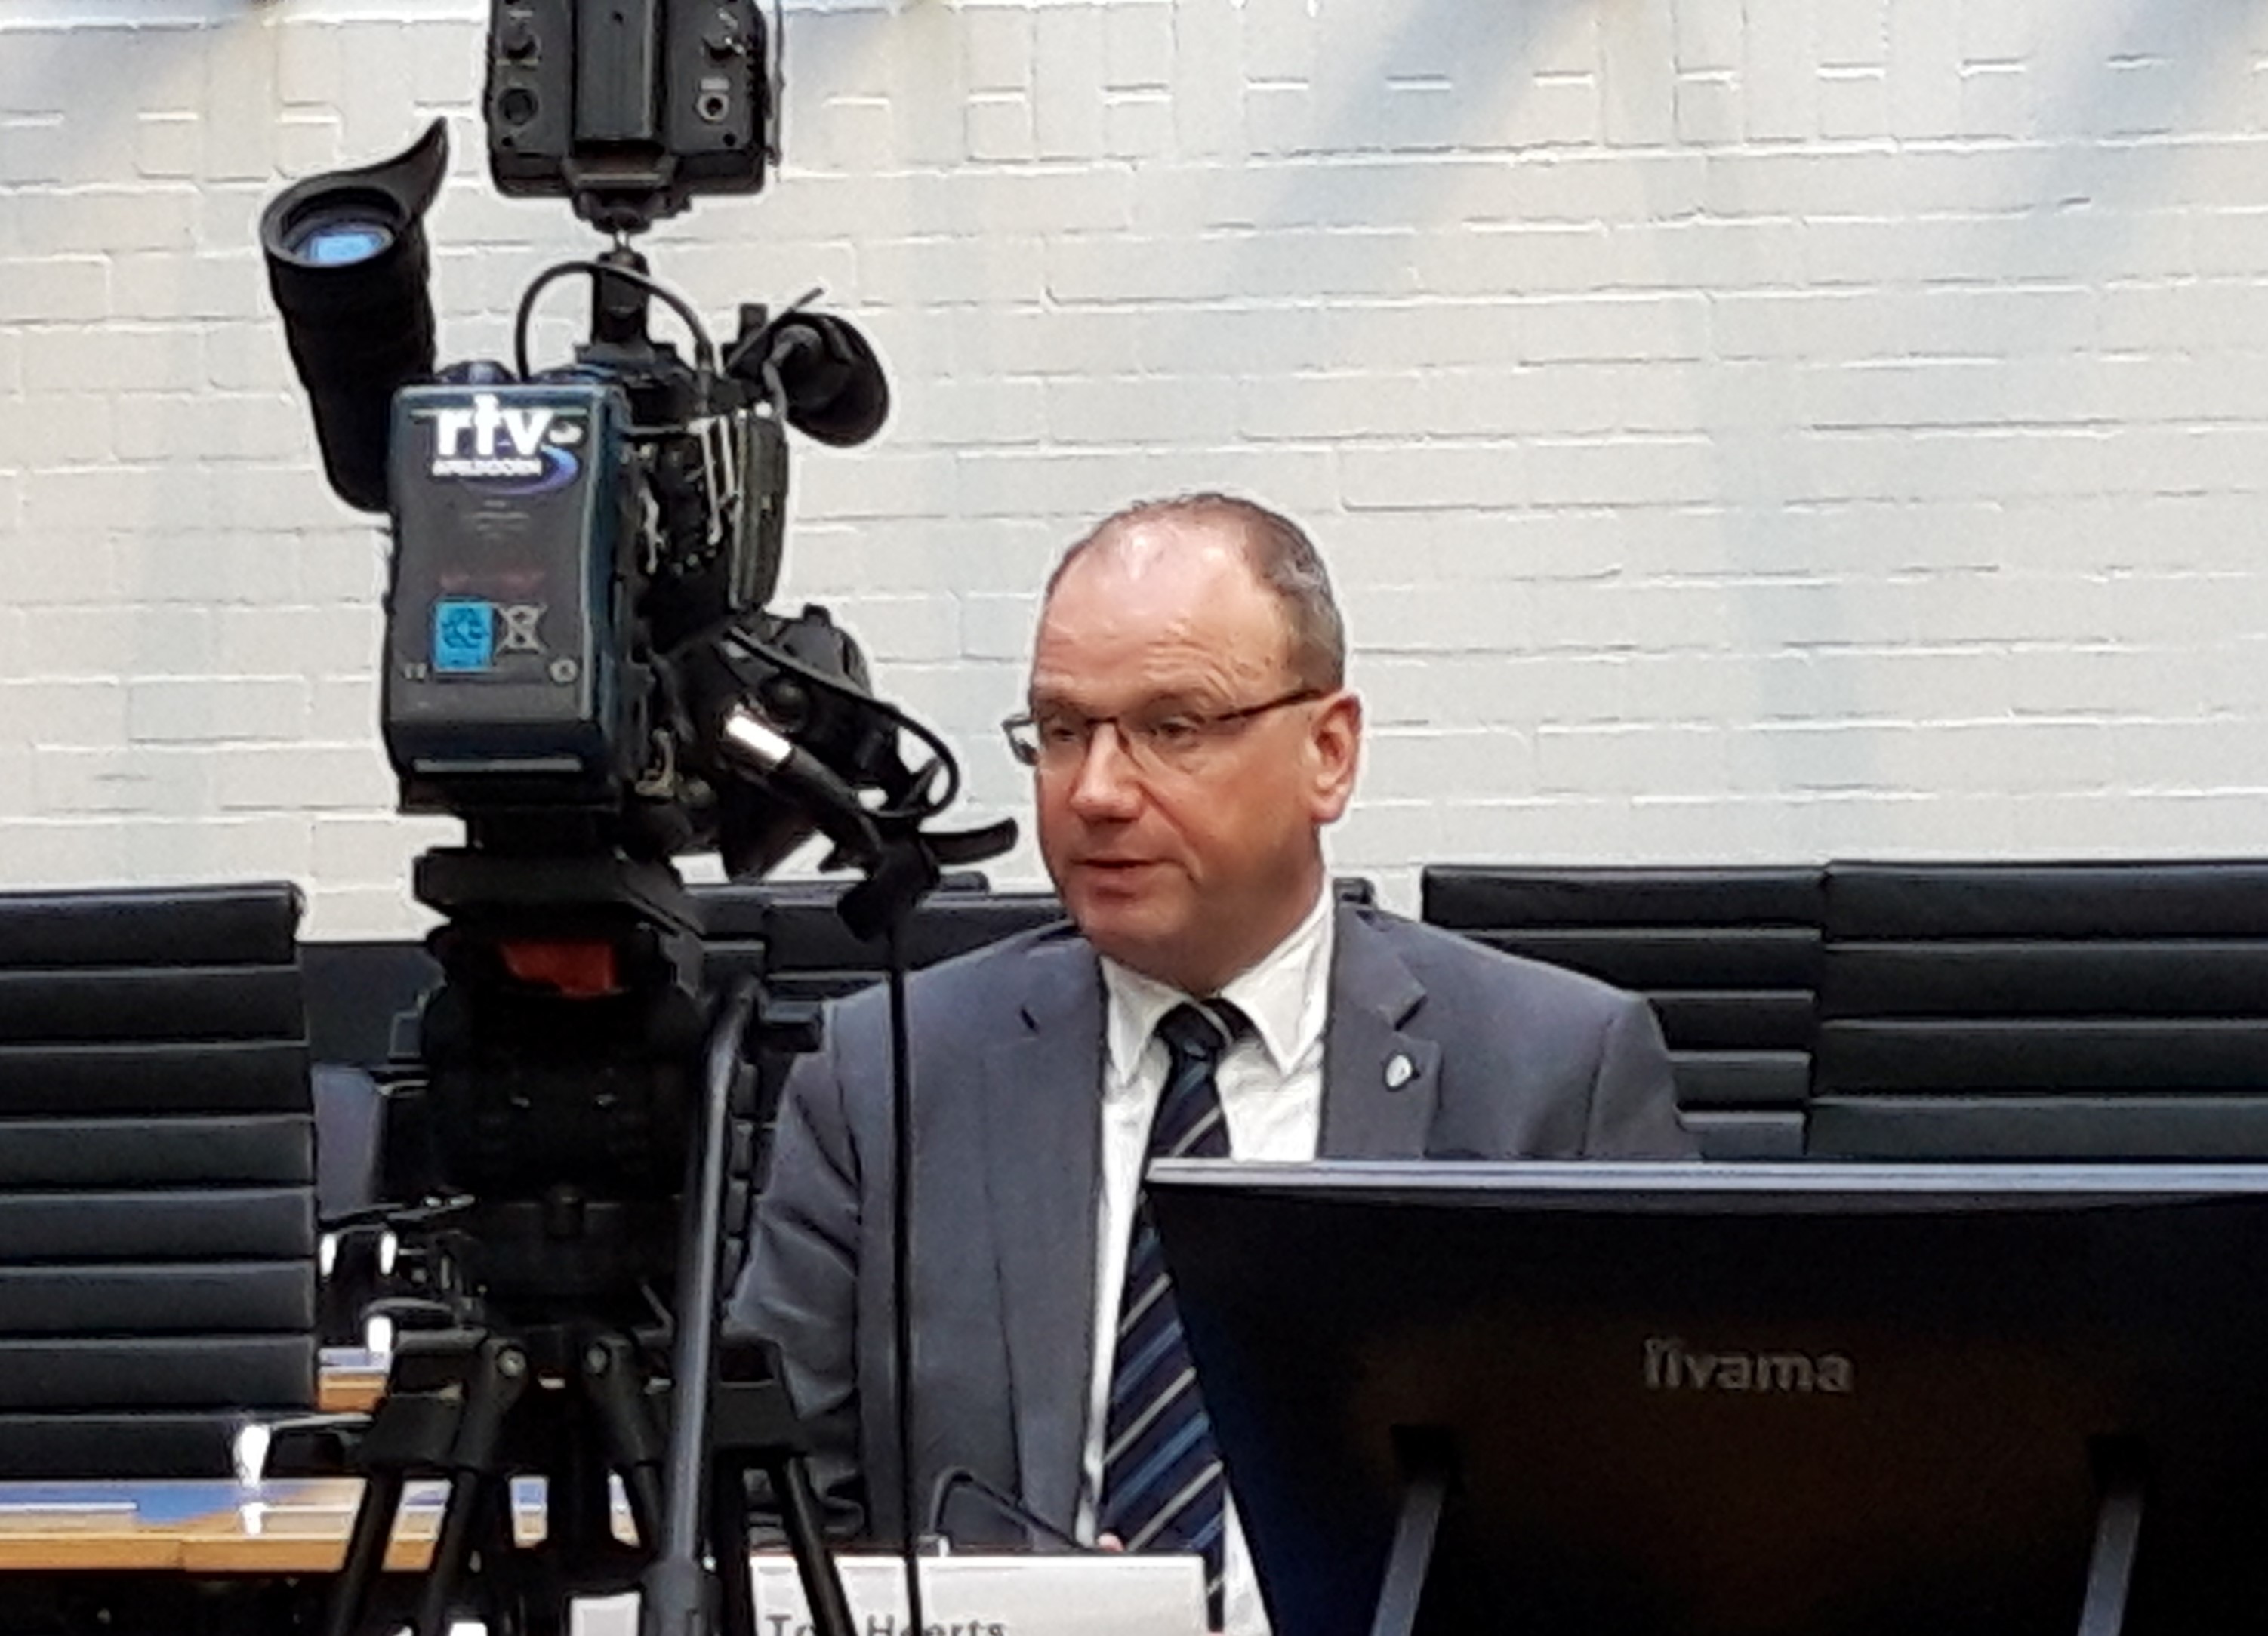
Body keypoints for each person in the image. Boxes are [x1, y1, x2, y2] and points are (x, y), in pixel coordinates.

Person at [729, 493, 1692, 1634]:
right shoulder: (885, 1074)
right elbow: (763, 1516)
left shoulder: (1551, 1076)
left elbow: (1667, 1541)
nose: (1096, 790)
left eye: (1173, 728)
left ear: (1329, 753)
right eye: (1063, 730)